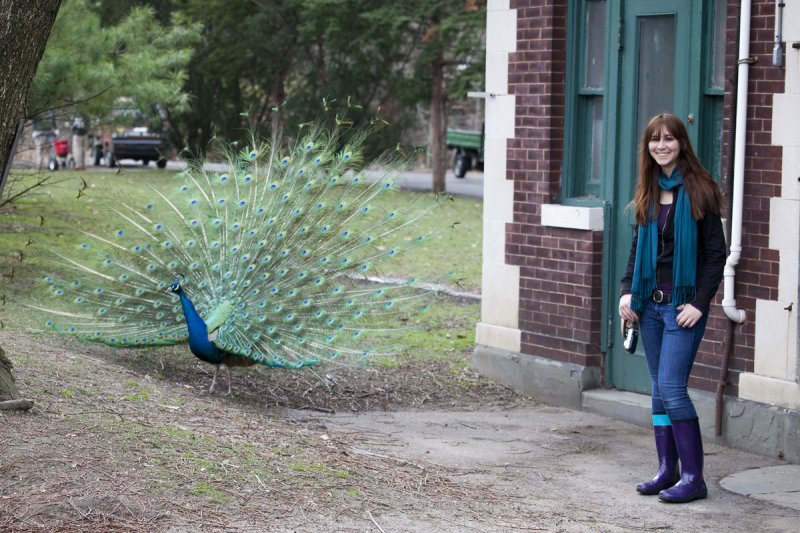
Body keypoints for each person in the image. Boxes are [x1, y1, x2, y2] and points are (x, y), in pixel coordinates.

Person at [619, 113, 726, 503]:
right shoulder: (649, 189)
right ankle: (668, 470)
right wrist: (627, 291)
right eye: (654, 140)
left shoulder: (700, 190)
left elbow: (717, 256)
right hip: (649, 306)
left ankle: (694, 478)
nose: (661, 145)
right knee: (659, 391)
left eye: (668, 139)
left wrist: (699, 304)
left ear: (681, 143)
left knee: (672, 388)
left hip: (683, 309)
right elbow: (636, 249)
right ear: (647, 146)